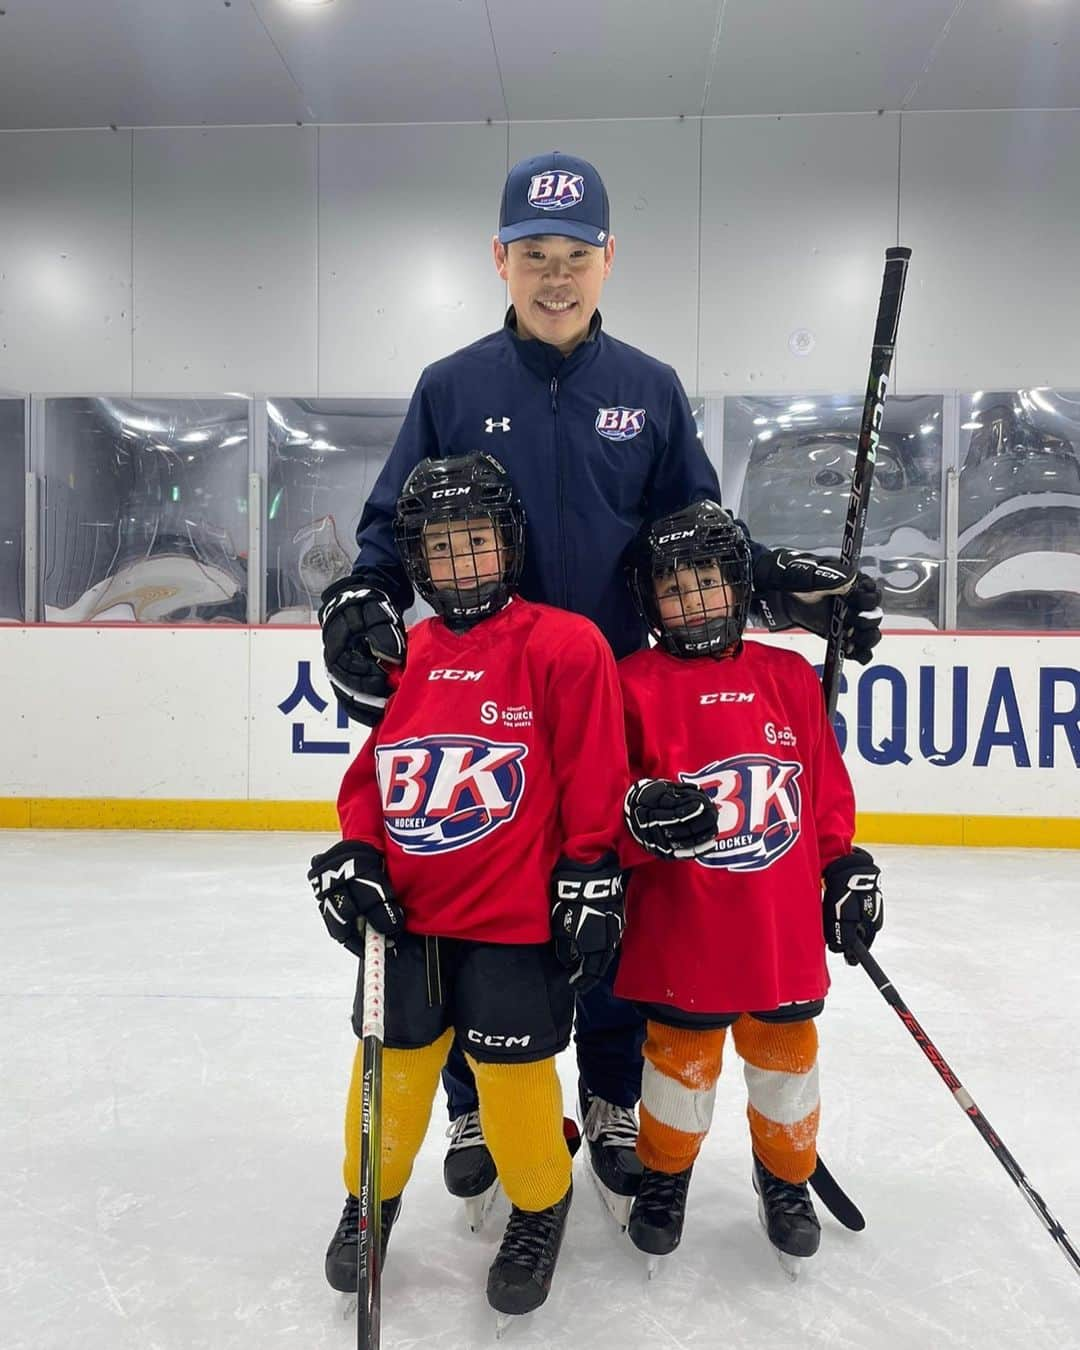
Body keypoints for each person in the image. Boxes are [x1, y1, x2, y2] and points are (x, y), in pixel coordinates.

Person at [317, 148, 885, 1224]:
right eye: (534, 254)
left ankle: (614, 1100)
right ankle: (478, 1099)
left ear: (609, 260)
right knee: (466, 900)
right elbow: (393, 527)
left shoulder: (650, 389)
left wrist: (787, 594)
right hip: (491, 695)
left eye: (577, 255)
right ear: (500, 259)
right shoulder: (452, 386)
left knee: (616, 895)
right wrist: (361, 594)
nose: (556, 274)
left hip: (626, 694)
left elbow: (700, 532)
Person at [308, 453, 628, 1323]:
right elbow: (374, 775)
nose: (461, 565)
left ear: (509, 543)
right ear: (416, 562)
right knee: (392, 1070)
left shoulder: (564, 644)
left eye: (476, 542)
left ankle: (539, 1202)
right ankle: (369, 1201)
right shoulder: (401, 655)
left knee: (515, 1075)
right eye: (441, 549)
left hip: (514, 923)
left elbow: (595, 773)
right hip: (408, 920)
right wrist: (357, 853)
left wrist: (592, 871)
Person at [614, 499, 884, 1273]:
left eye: (708, 578)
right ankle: (665, 1178)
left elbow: (823, 793)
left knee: (786, 1062)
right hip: (682, 923)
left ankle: (786, 1178)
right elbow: (612, 805)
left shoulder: (789, 676)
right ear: (649, 601)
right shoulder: (632, 684)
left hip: (779, 925)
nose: (694, 599)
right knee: (677, 1068)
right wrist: (637, 820)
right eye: (674, 587)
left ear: (738, 585)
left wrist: (841, 866)